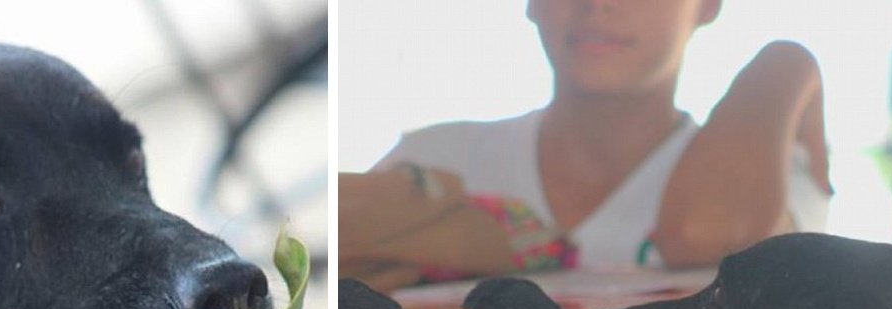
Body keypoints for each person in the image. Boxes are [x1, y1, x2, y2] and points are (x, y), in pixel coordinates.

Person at [340, 0, 832, 292]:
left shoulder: (774, 179)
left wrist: (784, 65)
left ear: (708, 5)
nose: (598, 5)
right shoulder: (434, 160)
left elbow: (704, 232)